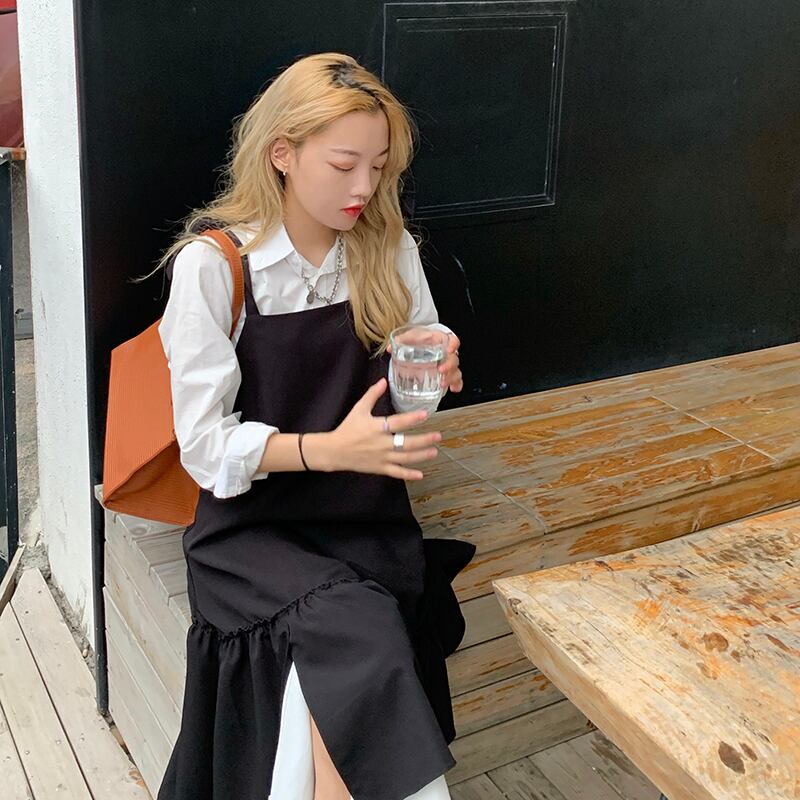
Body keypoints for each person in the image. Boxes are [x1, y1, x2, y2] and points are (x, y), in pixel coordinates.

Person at [150, 52, 476, 800]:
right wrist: (328, 450)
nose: (365, 188)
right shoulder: (216, 267)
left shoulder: (388, 248)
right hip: (250, 531)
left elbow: (406, 408)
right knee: (357, 636)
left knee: (347, 655)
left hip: (363, 519)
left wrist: (429, 375)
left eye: (379, 167)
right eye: (343, 164)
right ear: (282, 154)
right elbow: (204, 447)